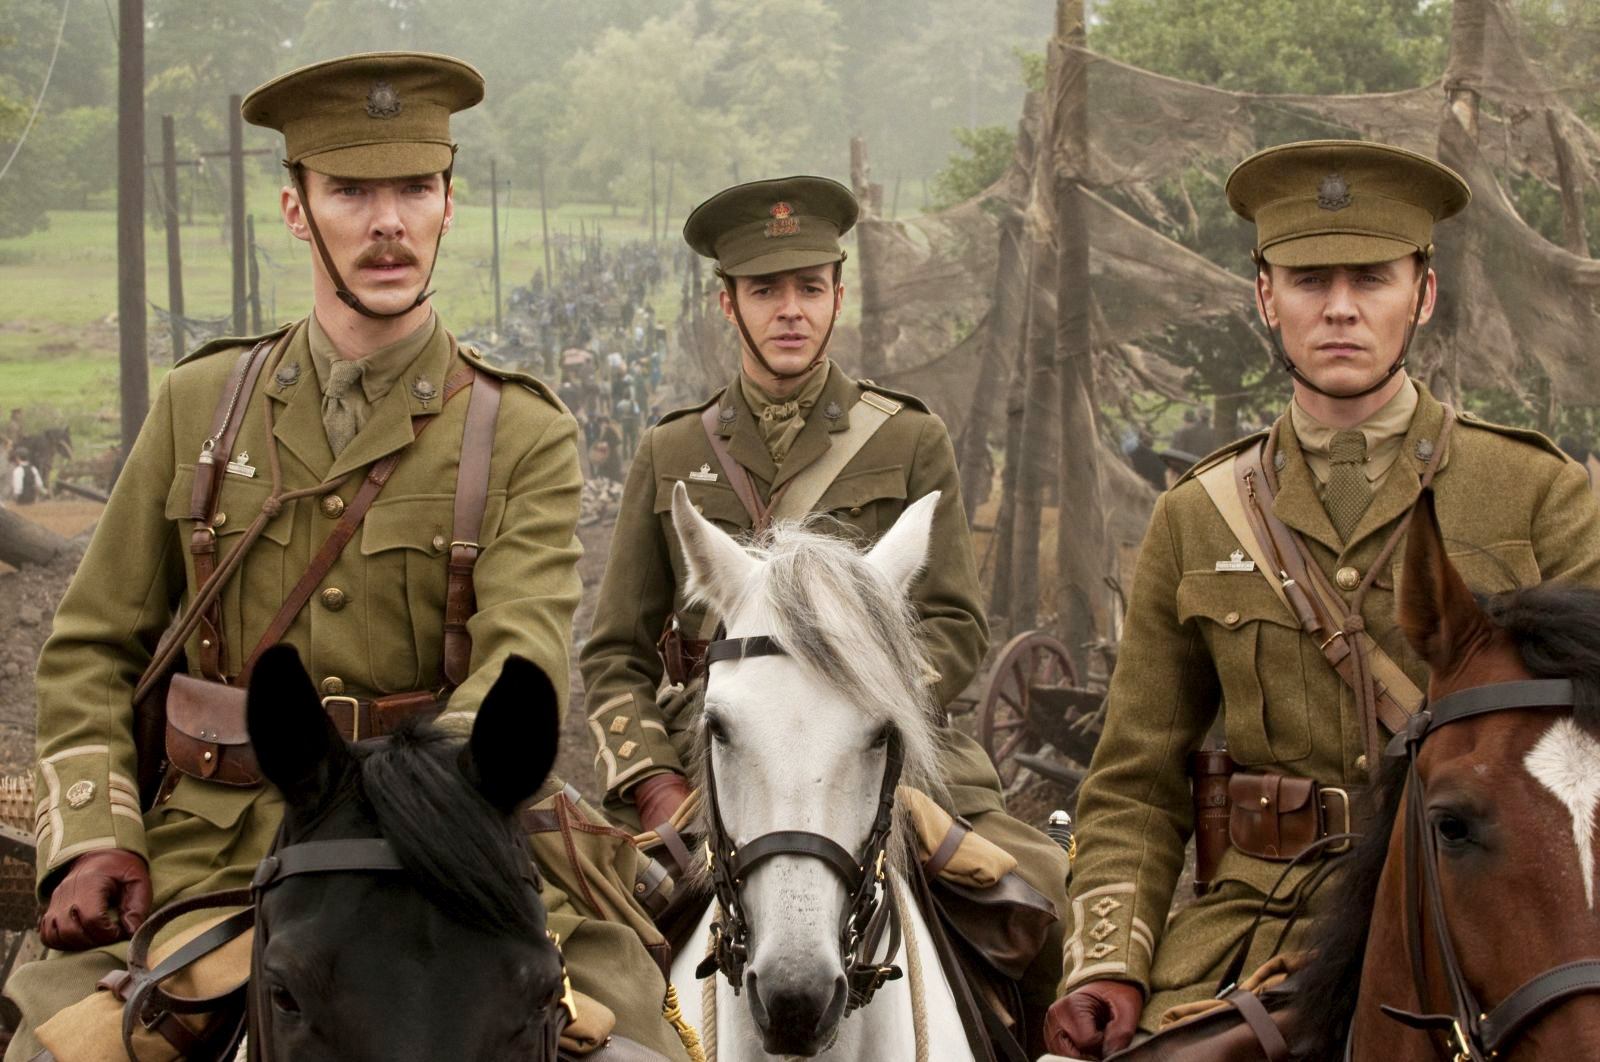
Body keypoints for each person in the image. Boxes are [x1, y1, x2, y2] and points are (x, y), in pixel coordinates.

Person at [5, 52, 686, 1060]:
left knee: (638, 1045)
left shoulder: (520, 432)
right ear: (295, 210)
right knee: (62, 1046)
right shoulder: (201, 405)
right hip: (214, 846)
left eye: (414, 188)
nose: (387, 222)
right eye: (351, 191)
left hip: (459, 850)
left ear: (448, 204)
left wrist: (430, 811)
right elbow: (91, 648)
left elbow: (522, 653)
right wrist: (98, 837)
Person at [1044, 140, 1600, 1058]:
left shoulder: (1535, 491)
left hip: (1491, 924)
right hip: (1251, 940)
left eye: (1372, 278)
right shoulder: (1197, 514)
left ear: (1422, 294)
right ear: (1266, 296)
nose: (1340, 308)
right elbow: (1136, 785)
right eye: (1307, 280)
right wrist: (1108, 962)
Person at [580, 175, 1071, 1025]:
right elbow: (614, 650)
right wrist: (657, 779)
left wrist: (865, 721)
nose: (791, 311)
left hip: (883, 757)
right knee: (574, 945)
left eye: (810, 288)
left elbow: (955, 622)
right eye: (766, 291)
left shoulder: (908, 438)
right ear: (727, 304)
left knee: (1040, 899)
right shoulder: (670, 453)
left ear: (837, 296)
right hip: (713, 760)